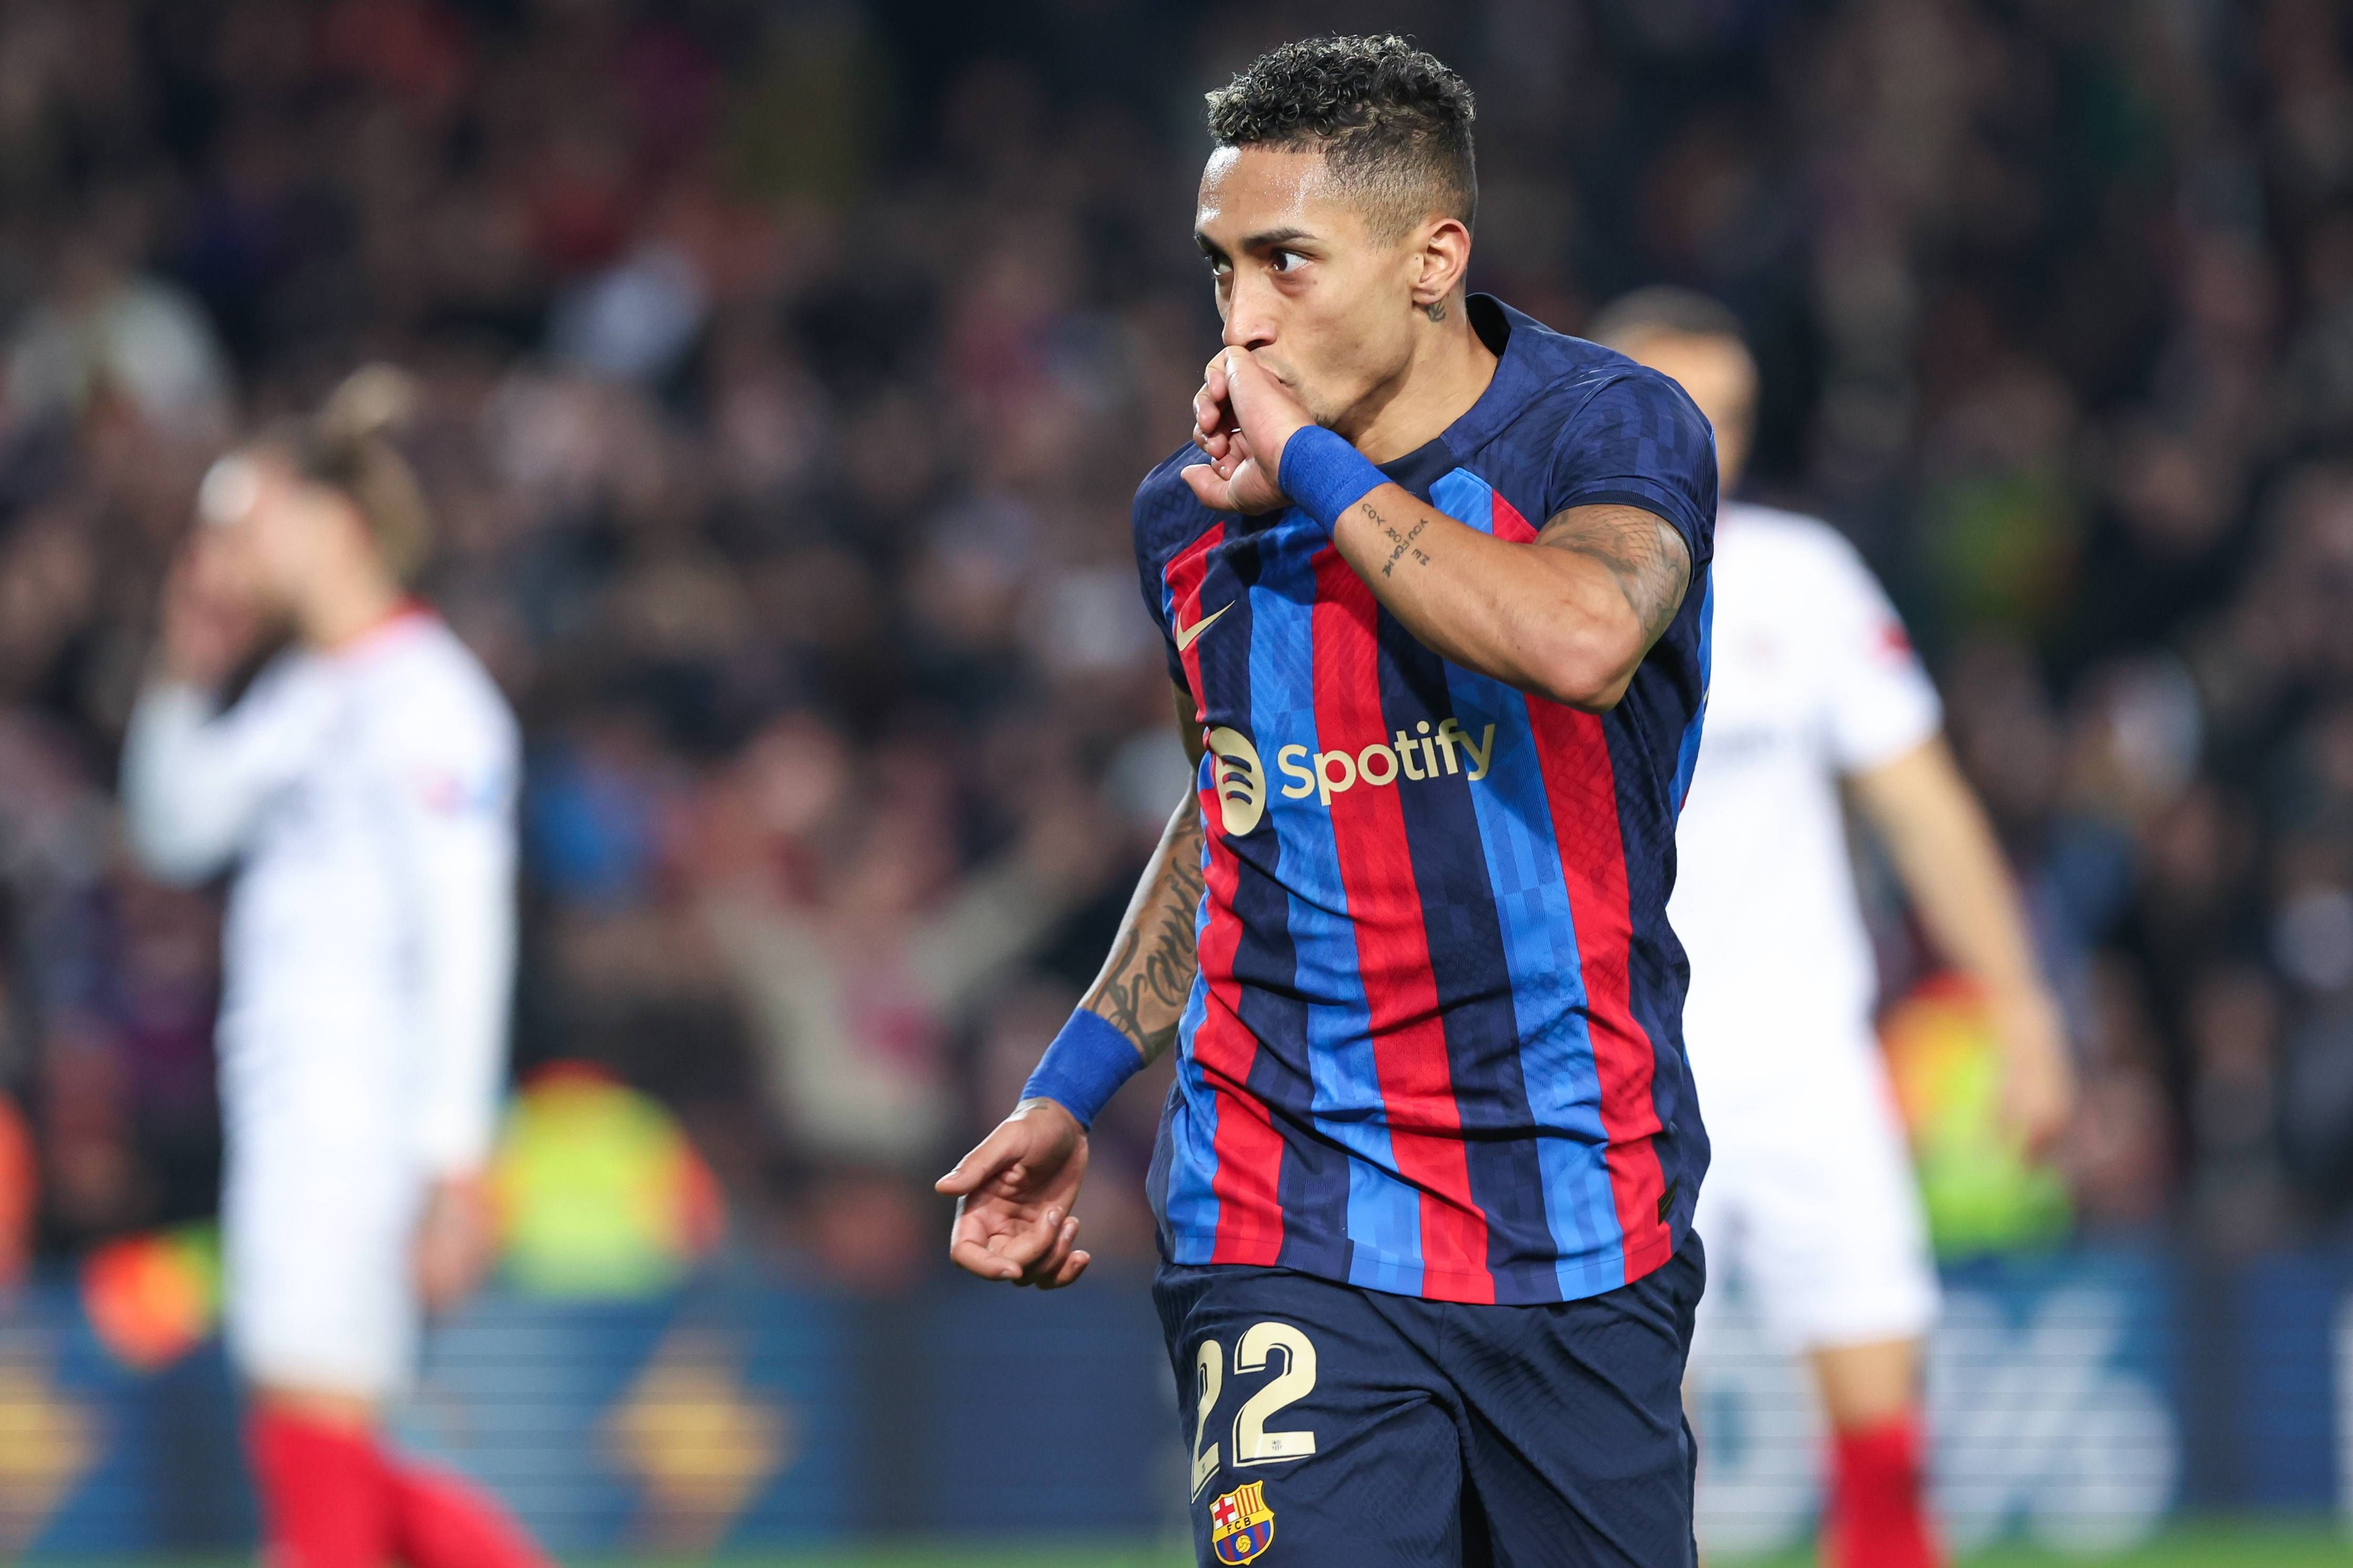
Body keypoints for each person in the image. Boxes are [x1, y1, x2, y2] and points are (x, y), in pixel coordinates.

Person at [940, 36, 1719, 1567]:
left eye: (1287, 265)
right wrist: (1072, 1081)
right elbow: (1229, 801)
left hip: (1576, 1208)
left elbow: (1577, 639)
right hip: (1281, 1207)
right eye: (1221, 265)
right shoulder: (1187, 517)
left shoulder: (1604, 432)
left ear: (1433, 256)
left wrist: (1300, 465)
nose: (1240, 318)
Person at [1589, 288, 2077, 1568]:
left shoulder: (1801, 582)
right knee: (1627, 1460)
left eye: (1733, 414)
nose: (1710, 439)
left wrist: (2021, 1005)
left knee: (1885, 1455)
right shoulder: (1529, 593)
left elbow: (1924, 806)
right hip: (1617, 1071)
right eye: (1678, 406)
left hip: (1805, 1062)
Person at [121, 368, 548, 1568]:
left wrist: (454, 1162)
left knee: (313, 1440)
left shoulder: (434, 699)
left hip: (362, 1117)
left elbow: (470, 938)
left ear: (339, 522)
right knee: (336, 1447)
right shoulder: (305, 695)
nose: (233, 548)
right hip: (286, 1101)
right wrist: (186, 670)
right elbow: (172, 827)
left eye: (259, 517)